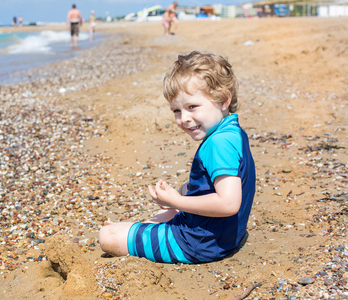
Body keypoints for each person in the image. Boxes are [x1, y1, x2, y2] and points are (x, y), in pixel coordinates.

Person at [99, 51, 256, 264]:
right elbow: (213, 185)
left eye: (192, 107)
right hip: (224, 235)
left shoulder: (217, 144)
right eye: (176, 111)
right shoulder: (231, 133)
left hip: (198, 244)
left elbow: (228, 204)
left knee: (107, 237)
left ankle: (131, 233)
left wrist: (178, 201)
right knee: (160, 217)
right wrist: (182, 192)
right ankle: (140, 231)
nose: (184, 119)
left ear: (223, 100)